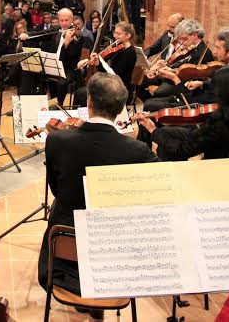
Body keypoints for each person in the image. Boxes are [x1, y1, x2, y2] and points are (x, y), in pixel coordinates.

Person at [37, 73, 157, 301]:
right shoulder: (137, 150)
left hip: (64, 250)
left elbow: (56, 189)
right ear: (121, 108)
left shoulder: (57, 140)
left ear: (89, 102)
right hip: (113, 255)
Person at [139, 61, 229, 161]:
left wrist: (153, 131)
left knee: (165, 139)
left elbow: (182, 150)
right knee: (167, 132)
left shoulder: (222, 121)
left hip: (220, 167)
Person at [73, 21, 139, 107]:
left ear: (128, 35)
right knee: (81, 92)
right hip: (111, 83)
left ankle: (89, 118)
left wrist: (99, 64)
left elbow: (115, 75)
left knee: (81, 94)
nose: (115, 36)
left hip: (119, 88)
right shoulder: (118, 46)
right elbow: (104, 64)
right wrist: (95, 61)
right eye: (115, 32)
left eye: (118, 34)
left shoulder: (129, 53)